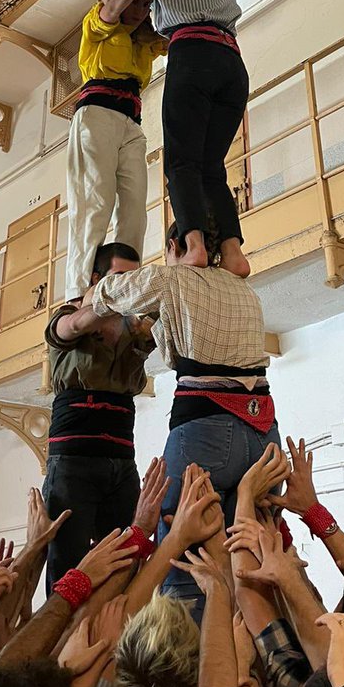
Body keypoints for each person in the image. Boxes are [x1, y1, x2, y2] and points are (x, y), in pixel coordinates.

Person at [80, 221, 278, 611]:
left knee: (183, 556)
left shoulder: (174, 280)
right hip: (263, 430)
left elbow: (109, 294)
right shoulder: (246, 291)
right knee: (256, 547)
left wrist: (91, 291)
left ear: (175, 246)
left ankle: (188, 658)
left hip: (206, 429)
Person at [97, 0, 250, 277]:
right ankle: (233, 252)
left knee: (182, 163)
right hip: (234, 65)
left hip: (193, 56)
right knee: (212, 168)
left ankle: (194, 246)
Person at [44, 242, 155, 588]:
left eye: (131, 279)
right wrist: (104, 302)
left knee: (124, 560)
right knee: (67, 563)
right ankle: (61, 639)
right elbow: (73, 327)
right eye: (119, 277)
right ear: (97, 279)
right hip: (74, 458)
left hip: (121, 457)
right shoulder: (69, 315)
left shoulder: (134, 327)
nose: (127, 286)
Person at [65, 0, 165, 301]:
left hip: (131, 123)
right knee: (95, 201)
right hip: (97, 115)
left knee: (136, 207)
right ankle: (79, 290)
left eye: (146, 5)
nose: (140, 11)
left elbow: (177, 32)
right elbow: (111, 9)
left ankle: (127, 282)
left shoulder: (147, 41)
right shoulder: (99, 26)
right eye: (135, 3)